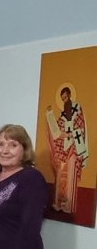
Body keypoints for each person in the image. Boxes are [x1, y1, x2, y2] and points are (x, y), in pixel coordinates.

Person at [45, 85, 88, 214]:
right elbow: (57, 132)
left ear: (70, 96)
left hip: (74, 148)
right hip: (64, 148)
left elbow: (80, 127)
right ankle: (59, 203)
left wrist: (71, 136)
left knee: (70, 175)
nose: (65, 101)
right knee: (61, 172)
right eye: (63, 99)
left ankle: (68, 205)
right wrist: (50, 117)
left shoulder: (77, 108)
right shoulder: (63, 114)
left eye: (66, 98)